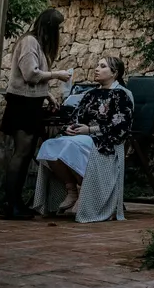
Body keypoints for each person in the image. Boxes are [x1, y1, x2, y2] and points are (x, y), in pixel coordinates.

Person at [33, 56, 134, 222]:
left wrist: (90, 130)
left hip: (105, 141)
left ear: (114, 73)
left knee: (70, 146)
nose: (96, 69)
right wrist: (70, 128)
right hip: (83, 137)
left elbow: (121, 126)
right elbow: (76, 116)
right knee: (49, 146)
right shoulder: (91, 94)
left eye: (102, 66)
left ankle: (84, 192)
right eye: (97, 65)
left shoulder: (122, 94)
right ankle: (72, 190)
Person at [0, 9, 71, 220]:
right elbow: (30, 74)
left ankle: (17, 202)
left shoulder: (36, 43)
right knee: (21, 153)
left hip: (31, 102)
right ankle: (9, 204)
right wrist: (57, 75)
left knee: (26, 152)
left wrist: (47, 94)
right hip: (22, 104)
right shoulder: (30, 42)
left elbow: (33, 78)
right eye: (57, 28)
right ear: (49, 27)